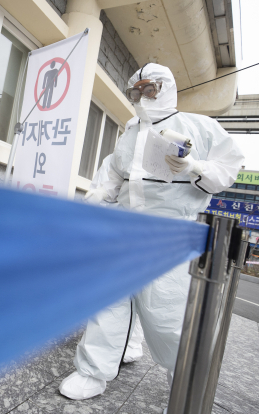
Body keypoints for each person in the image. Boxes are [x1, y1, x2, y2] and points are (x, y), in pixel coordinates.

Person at [59, 63, 244, 400]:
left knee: (169, 312)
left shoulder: (199, 126)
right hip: (124, 229)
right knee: (109, 301)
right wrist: (90, 208)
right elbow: (111, 177)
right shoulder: (130, 132)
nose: (142, 97)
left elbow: (228, 168)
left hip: (170, 234)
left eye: (149, 89)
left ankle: (184, 384)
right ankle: (93, 371)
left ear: (167, 87)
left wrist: (194, 166)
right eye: (136, 91)